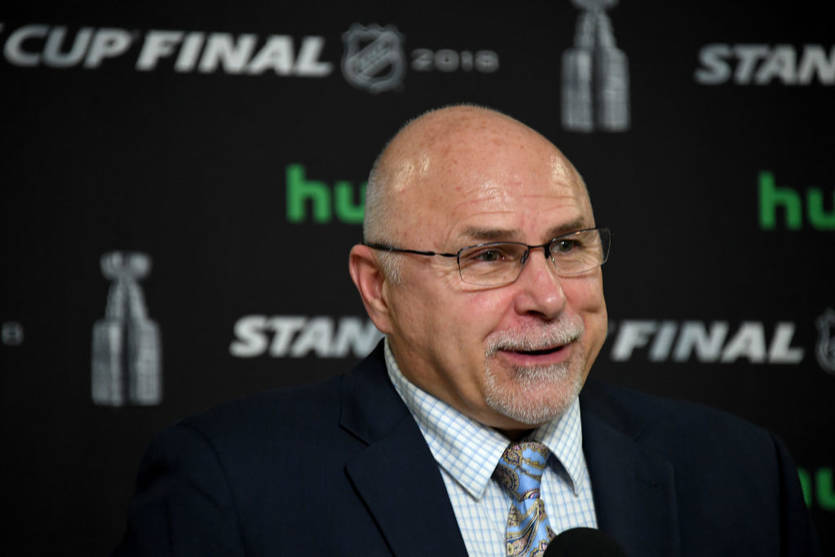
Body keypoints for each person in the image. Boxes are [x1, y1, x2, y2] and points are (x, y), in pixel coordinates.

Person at [114, 106, 820, 556]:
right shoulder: (229, 487)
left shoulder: (742, 473)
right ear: (378, 288)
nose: (547, 297)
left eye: (567, 246)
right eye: (488, 257)